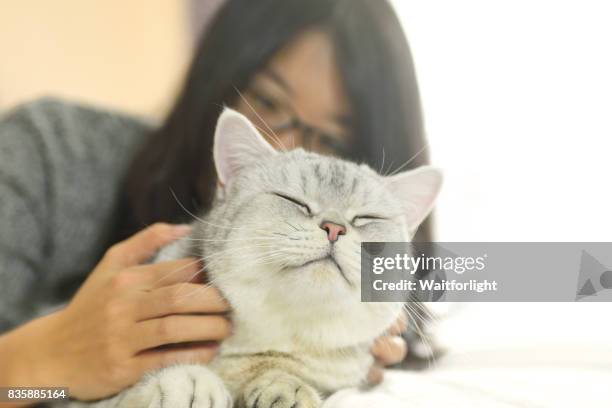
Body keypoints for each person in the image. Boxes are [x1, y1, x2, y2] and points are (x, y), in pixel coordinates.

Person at [0, 0, 432, 404]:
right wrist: (42, 365)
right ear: (216, 78)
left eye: (334, 139)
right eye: (267, 103)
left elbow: (479, 273)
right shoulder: (49, 153)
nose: (285, 146)